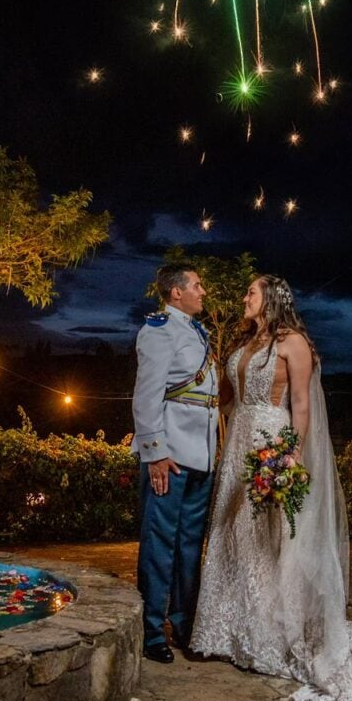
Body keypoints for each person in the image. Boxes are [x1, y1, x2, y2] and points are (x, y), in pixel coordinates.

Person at [191, 275, 352, 701]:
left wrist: (288, 461)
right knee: (232, 537)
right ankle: (227, 634)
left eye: (251, 293)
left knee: (268, 545)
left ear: (271, 300)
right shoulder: (247, 341)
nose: (244, 297)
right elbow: (223, 398)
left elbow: (301, 406)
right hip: (238, 442)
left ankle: (271, 638)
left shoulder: (293, 343)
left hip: (270, 446)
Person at [132, 263, 219, 663]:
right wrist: (156, 453)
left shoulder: (196, 331)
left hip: (200, 454)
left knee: (188, 544)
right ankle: (152, 630)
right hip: (170, 455)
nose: (203, 291)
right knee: (160, 541)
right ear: (176, 292)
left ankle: (183, 625)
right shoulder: (159, 329)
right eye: (197, 285)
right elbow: (147, 395)